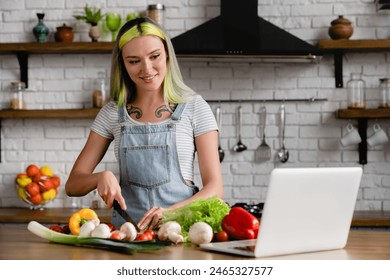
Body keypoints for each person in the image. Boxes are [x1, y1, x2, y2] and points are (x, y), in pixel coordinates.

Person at [65, 17, 223, 230]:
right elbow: (73, 184)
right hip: (128, 235)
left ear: (167, 54)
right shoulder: (112, 113)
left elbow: (215, 188)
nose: (146, 69)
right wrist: (100, 177)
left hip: (182, 231)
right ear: (123, 64)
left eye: (154, 56)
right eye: (134, 61)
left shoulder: (195, 107)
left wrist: (171, 213)